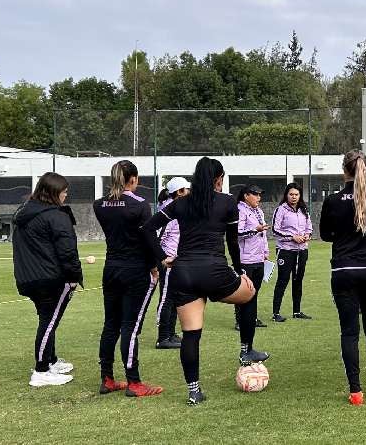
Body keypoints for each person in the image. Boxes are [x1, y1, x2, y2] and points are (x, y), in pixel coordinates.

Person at [142, 157, 256, 406]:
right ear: (218, 179)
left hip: (184, 274)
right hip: (214, 270)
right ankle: (246, 350)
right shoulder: (227, 202)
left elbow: (148, 228)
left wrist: (163, 258)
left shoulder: (181, 203)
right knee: (249, 293)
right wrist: (241, 272)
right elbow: (233, 243)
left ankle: (194, 391)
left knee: (191, 335)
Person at [319, 150, 366, 406]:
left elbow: (325, 235)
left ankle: (355, 392)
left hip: (343, 271)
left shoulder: (333, 201)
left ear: (344, 170)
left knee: (349, 332)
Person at [93, 160, 163, 397]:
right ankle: (134, 382)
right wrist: (155, 265)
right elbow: (148, 237)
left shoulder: (99, 205)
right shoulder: (140, 205)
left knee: (110, 324)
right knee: (130, 327)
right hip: (135, 270)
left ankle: (107, 378)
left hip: (111, 269)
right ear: (133, 179)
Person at [12, 172, 83, 387]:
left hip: (29, 277)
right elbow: (67, 251)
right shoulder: (56, 216)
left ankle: (50, 360)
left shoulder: (24, 212)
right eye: (63, 192)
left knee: (47, 319)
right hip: (50, 279)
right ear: (54, 193)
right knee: (49, 322)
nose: (66, 195)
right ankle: (41, 370)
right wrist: (73, 277)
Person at [153, 177, 190, 350]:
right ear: (179, 192)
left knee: (174, 297)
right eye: (186, 190)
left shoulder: (178, 208)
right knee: (166, 298)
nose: (189, 193)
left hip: (176, 260)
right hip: (168, 261)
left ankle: (170, 333)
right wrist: (162, 258)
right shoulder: (167, 210)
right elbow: (158, 236)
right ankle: (162, 337)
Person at [235, 185, 270, 353]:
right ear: (246, 195)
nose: (258, 197)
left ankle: (249, 328)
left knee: (253, 296)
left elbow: (262, 234)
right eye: (255, 194)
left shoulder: (258, 211)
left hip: (258, 259)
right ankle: (241, 326)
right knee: (245, 296)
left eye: (259, 194)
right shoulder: (240, 210)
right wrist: (254, 230)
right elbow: (238, 233)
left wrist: (265, 251)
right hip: (246, 260)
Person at [271, 182, 313, 322]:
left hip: (301, 250)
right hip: (285, 250)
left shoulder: (304, 210)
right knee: (282, 280)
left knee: (298, 280)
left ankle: (296, 311)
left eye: (296, 194)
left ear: (300, 196)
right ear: (286, 195)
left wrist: (307, 236)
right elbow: (275, 230)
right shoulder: (281, 210)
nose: (294, 197)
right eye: (291, 194)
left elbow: (309, 228)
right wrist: (291, 237)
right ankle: (276, 313)